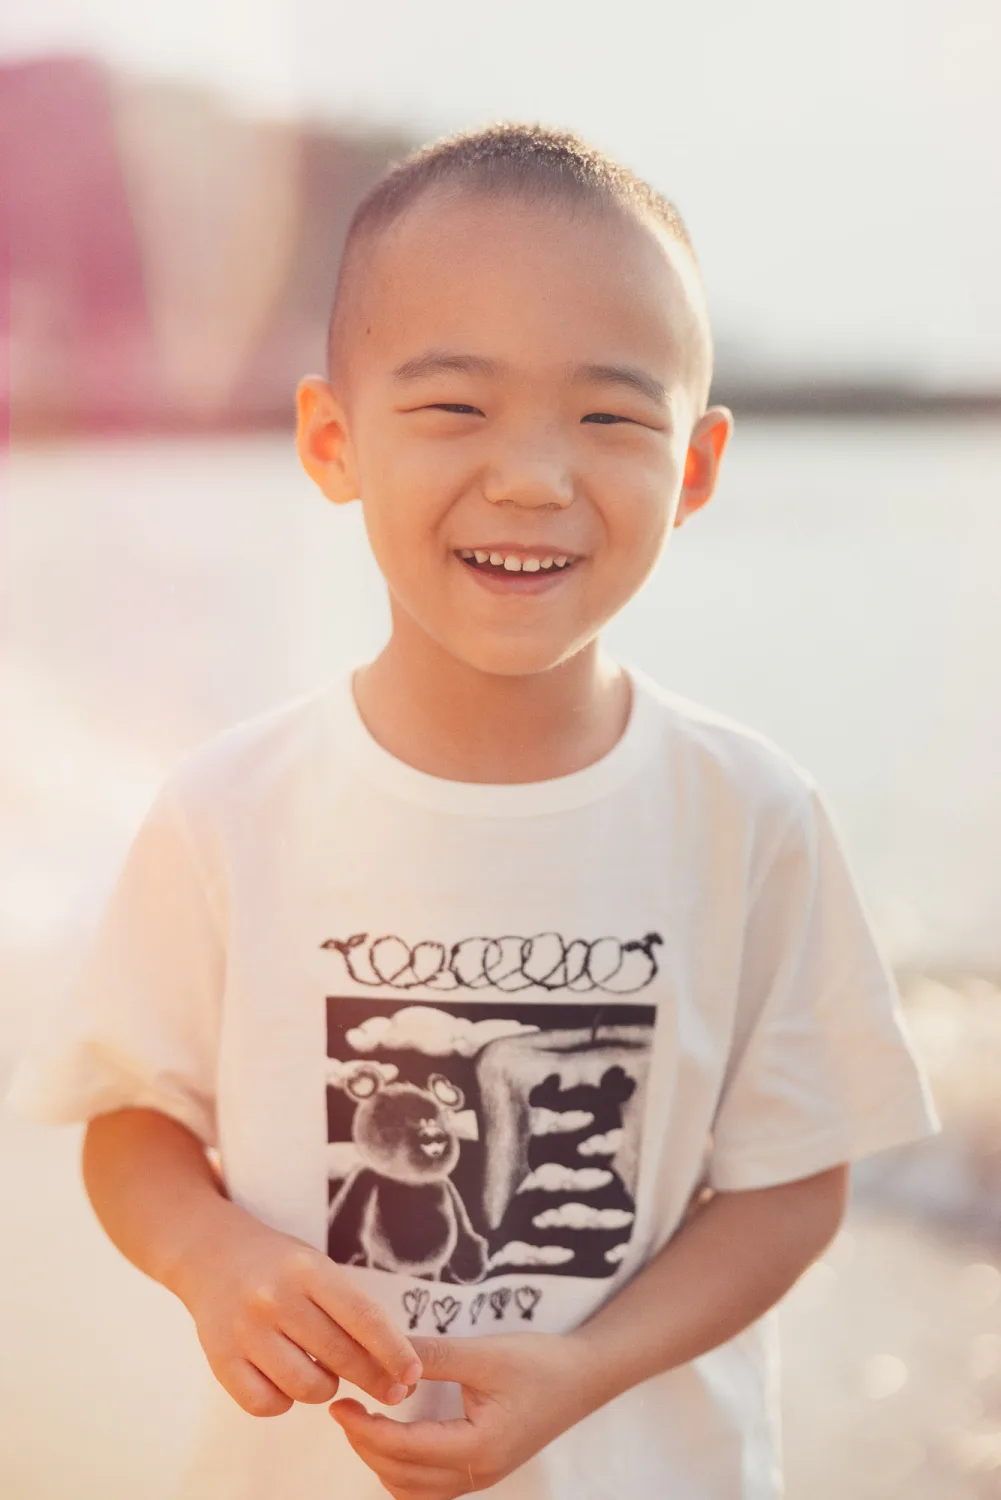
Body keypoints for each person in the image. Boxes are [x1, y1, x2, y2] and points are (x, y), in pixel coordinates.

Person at [7, 123, 941, 1500]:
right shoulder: (232, 810)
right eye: (455, 407)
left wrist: (584, 1369)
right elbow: (134, 1125)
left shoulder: (751, 815)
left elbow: (794, 1180)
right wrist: (217, 1260)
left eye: (611, 417)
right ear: (333, 439)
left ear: (694, 469)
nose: (533, 477)